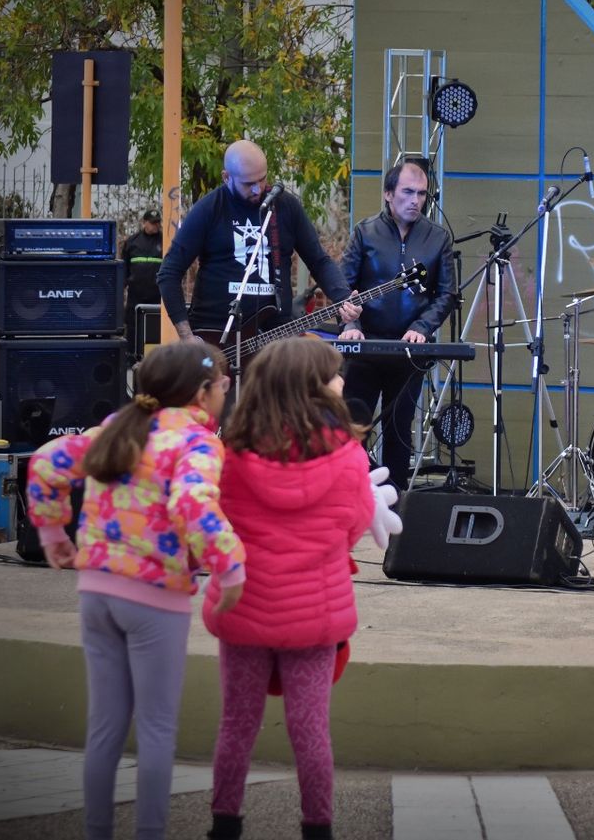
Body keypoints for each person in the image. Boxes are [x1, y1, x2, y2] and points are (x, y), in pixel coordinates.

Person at [26, 342, 246, 840]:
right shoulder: (197, 442)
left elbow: (44, 463)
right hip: (154, 599)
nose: (226, 391)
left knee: (104, 728)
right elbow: (193, 501)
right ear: (201, 392)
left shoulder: (115, 427)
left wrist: (53, 536)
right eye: (224, 384)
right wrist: (230, 567)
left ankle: (97, 831)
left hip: (96, 591)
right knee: (155, 730)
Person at [203, 337, 387, 840]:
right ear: (314, 387)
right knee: (311, 732)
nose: (342, 381)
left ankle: (223, 825)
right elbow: (350, 530)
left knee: (236, 726)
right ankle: (317, 829)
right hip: (314, 615)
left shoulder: (231, 454)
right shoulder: (349, 457)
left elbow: (216, 522)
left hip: (243, 609)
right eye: (334, 374)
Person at [156, 139, 360, 345]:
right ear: (226, 177)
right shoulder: (209, 209)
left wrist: (344, 299)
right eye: (248, 184)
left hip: (273, 335)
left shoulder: (286, 206)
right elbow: (169, 272)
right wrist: (187, 336)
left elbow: (319, 261)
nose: (257, 189)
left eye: (262, 180)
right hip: (216, 334)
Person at [337, 157, 455, 488]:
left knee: (399, 427)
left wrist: (421, 328)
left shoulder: (438, 238)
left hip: (408, 350)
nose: (415, 200)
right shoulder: (365, 232)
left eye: (421, 194)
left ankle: (397, 501)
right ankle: (353, 495)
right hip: (365, 345)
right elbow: (343, 287)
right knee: (354, 423)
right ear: (389, 194)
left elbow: (446, 294)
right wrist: (349, 326)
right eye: (407, 192)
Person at [122, 209, 164, 359]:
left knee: (155, 328)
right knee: (133, 327)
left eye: (158, 223)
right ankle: (132, 357)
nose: (156, 226)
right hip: (136, 294)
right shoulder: (132, 242)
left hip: (156, 294)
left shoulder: (165, 240)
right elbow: (124, 268)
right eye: (152, 223)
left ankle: (154, 359)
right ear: (144, 223)